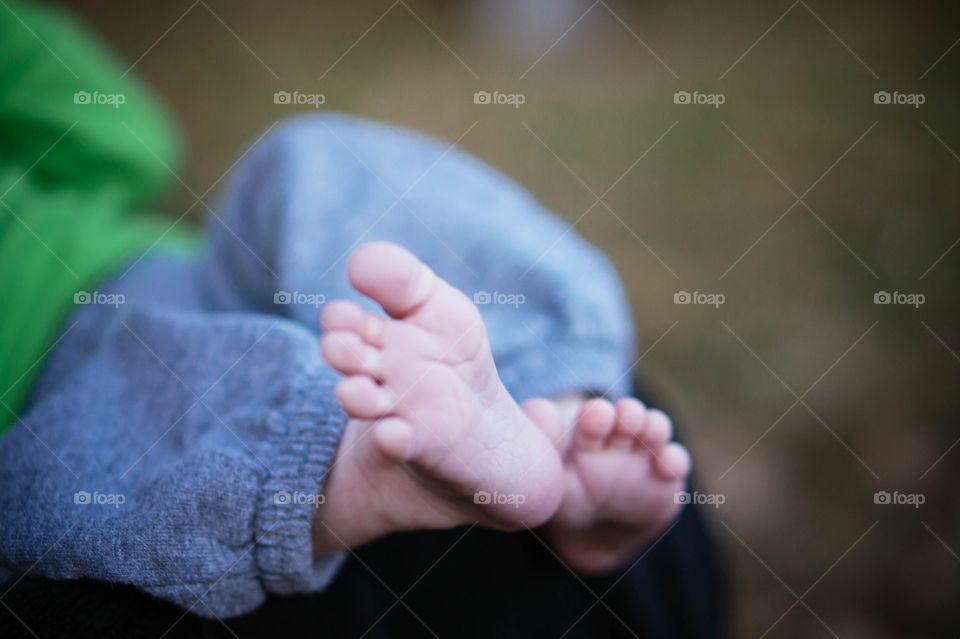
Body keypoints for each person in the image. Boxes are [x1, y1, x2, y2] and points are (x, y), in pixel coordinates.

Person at [0, 2, 726, 637]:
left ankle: (527, 412)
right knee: (308, 167)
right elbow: (126, 139)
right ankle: (384, 449)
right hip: (90, 306)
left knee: (281, 191)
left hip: (126, 305)